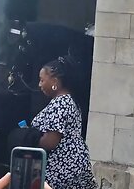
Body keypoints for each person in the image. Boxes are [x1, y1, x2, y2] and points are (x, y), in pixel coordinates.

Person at [30, 56, 97, 188]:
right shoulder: (68, 100)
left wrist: (29, 139)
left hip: (61, 169)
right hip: (73, 165)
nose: (39, 85)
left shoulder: (60, 103)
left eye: (42, 80)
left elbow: (51, 142)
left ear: (55, 81)